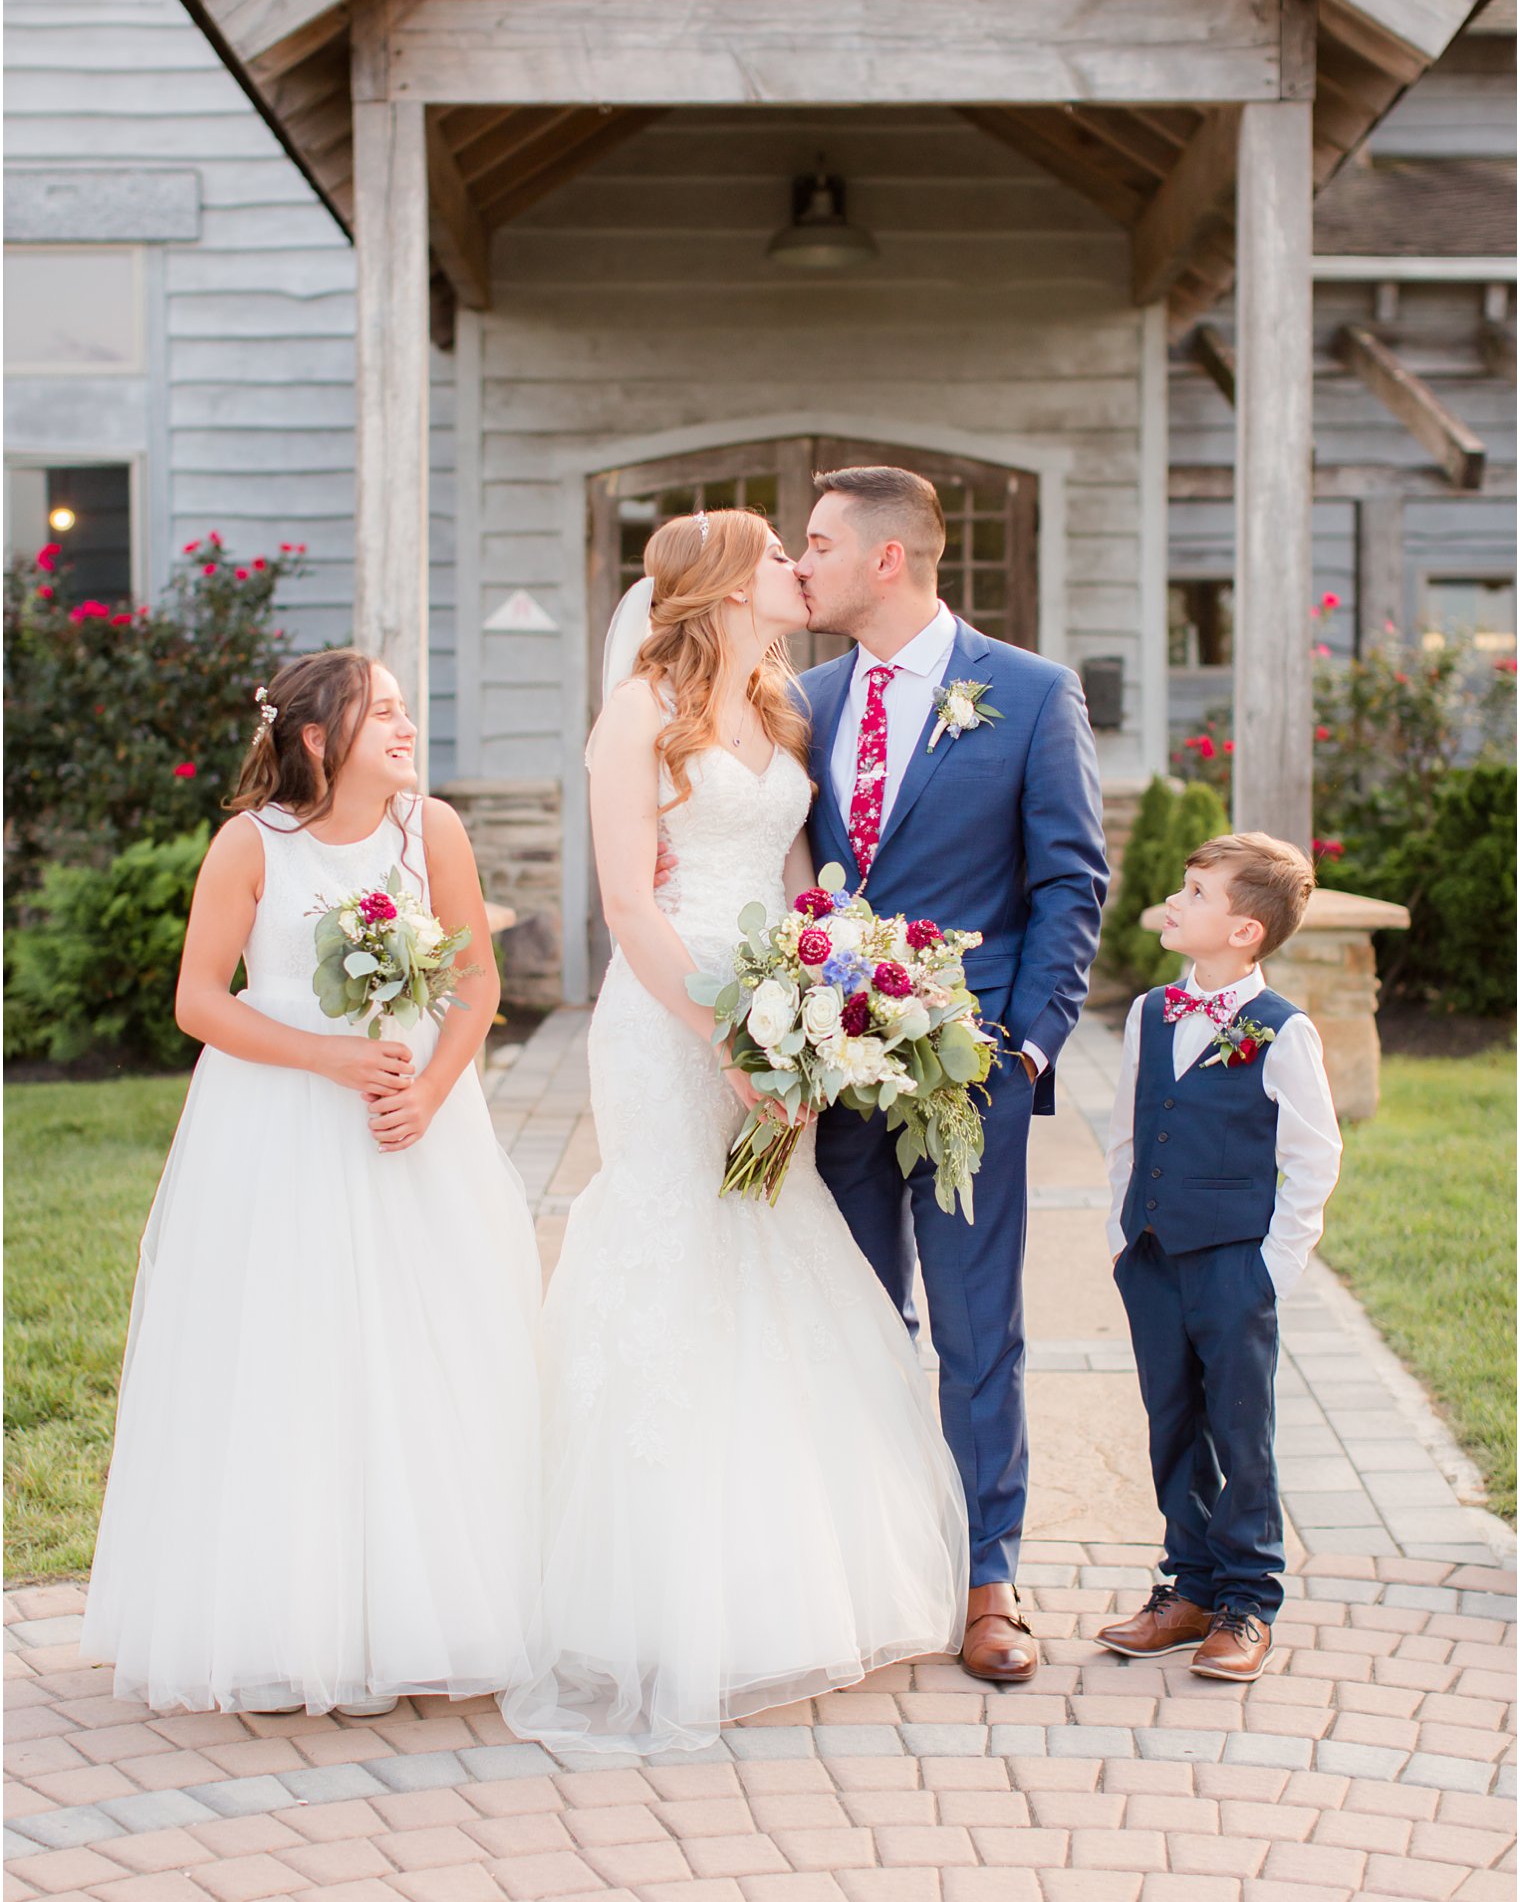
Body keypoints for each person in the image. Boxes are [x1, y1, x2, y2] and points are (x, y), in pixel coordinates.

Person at [504, 508, 967, 1757]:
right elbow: (620, 899)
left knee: (768, 1240)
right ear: (718, 583)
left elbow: (806, 880)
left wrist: (827, 1017)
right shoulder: (637, 713)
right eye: (775, 555)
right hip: (672, 1023)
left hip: (780, 1007)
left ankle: (781, 1582)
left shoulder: (782, 709)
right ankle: (647, 1595)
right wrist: (724, 1035)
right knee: (675, 1242)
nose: (794, 571)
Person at [80, 649, 541, 1716]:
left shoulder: (434, 833)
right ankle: (285, 1614)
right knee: (291, 1352)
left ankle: (435, 1610)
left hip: (414, 1127)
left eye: (401, 708)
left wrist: (428, 1089)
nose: (404, 724)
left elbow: (475, 979)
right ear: (318, 738)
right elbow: (201, 1001)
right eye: (379, 711)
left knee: (433, 1346)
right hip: (277, 1127)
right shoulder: (252, 845)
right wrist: (329, 1057)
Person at [794, 466, 1108, 1684]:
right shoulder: (802, 698)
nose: (799, 564)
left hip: (967, 1069)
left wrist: (1025, 1045)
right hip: (829, 1068)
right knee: (856, 1318)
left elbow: (1069, 878)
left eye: (816, 544)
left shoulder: (1028, 694)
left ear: (887, 559)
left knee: (979, 1331)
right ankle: (878, 1567)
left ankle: (989, 1579)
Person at [1097, 833, 1342, 1682]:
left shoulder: (1282, 1031)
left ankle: (1248, 1598)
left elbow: (1314, 1158)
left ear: (1244, 930)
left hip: (1234, 1265)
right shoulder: (1148, 1012)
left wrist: (1273, 1267)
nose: (1177, 898)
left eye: (1197, 891)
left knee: (1241, 1428)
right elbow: (1131, 1128)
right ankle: (1189, 1585)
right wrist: (1125, 1233)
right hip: (1155, 1254)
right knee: (1172, 1420)